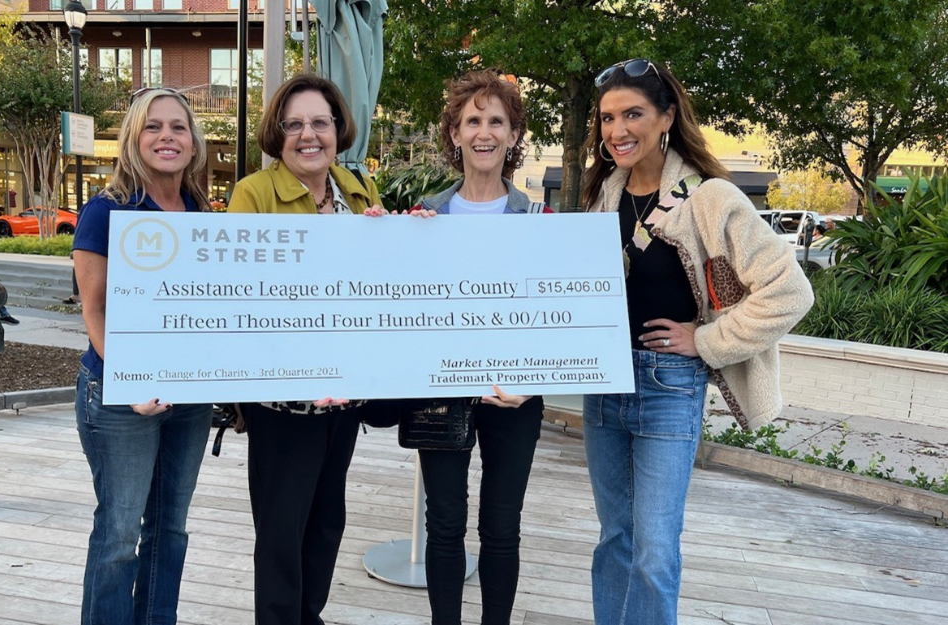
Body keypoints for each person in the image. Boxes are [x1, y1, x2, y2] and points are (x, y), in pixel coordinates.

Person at [580, 59, 814, 624]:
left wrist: (706, 340)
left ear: (666, 117)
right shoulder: (603, 195)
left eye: (633, 113)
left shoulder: (710, 198)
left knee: (654, 551)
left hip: (668, 385)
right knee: (614, 539)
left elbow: (790, 291)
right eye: (608, 118)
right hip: (603, 385)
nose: (618, 130)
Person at [226, 74, 385, 625]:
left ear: (339, 128)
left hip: (344, 398)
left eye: (320, 122)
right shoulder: (253, 193)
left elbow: (382, 284)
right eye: (294, 124)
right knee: (280, 530)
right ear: (278, 132)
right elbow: (240, 294)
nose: (308, 135)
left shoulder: (359, 191)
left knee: (325, 523)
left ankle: (307, 617)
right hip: (282, 400)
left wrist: (408, 237)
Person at [407, 70, 550, 625]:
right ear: (455, 133)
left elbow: (554, 321)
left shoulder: (540, 220)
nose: (484, 132)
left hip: (515, 398)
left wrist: (532, 383)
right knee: (443, 523)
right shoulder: (424, 216)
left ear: (513, 136)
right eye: (473, 121)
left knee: (501, 526)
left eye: (497, 121)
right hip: (440, 392)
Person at [71, 87, 214, 624]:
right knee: (119, 532)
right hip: (117, 393)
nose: (167, 137)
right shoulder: (106, 210)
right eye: (153, 126)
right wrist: (133, 383)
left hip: (187, 393)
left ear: (193, 141)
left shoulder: (201, 211)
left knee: (169, 526)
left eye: (178, 127)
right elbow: (96, 310)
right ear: (133, 138)